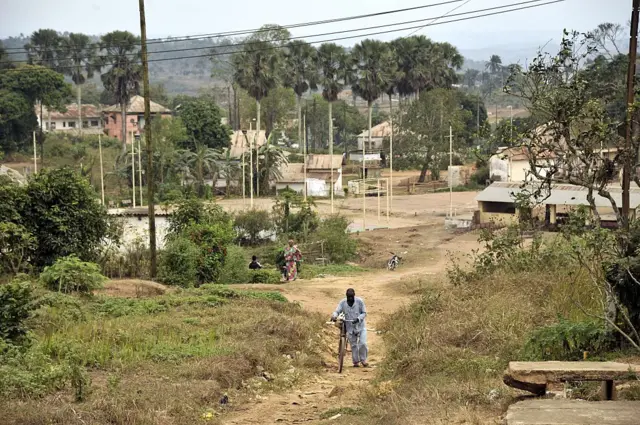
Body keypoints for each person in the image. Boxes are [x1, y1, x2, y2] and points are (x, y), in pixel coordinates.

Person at [331, 288, 368, 367]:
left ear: (354, 296)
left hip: (360, 326)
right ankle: (356, 362)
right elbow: (337, 311)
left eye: (352, 297)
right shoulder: (342, 303)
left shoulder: (360, 302)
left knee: (363, 343)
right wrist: (334, 316)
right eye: (349, 297)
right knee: (354, 345)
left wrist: (358, 319)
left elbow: (364, 313)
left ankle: (363, 359)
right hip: (350, 327)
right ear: (346, 296)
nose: (350, 299)